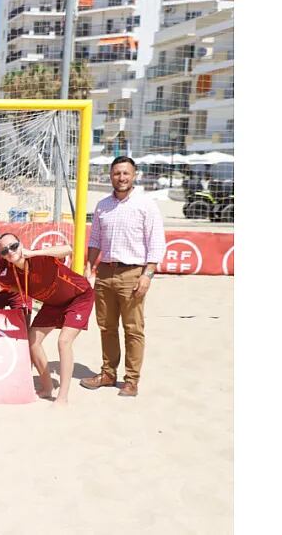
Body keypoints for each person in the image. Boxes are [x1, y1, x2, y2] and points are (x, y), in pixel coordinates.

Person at [81, 156, 166, 398]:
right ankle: (108, 374)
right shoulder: (102, 206)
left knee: (133, 329)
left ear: (134, 175)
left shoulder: (146, 205)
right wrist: (89, 266)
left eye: (126, 173)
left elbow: (156, 243)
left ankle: (131, 380)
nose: (121, 178)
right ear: (110, 175)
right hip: (105, 273)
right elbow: (95, 240)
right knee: (106, 327)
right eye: (117, 173)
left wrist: (147, 275)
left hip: (132, 273)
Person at [0, 233, 94, 404]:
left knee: (64, 341)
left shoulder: (39, 258)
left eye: (13, 246)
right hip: (53, 303)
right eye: (5, 251)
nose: (11, 252)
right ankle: (47, 387)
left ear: (20, 244)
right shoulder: (9, 273)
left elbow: (68, 249)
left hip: (79, 297)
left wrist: (34, 253)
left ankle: (62, 397)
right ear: (2, 256)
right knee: (33, 340)